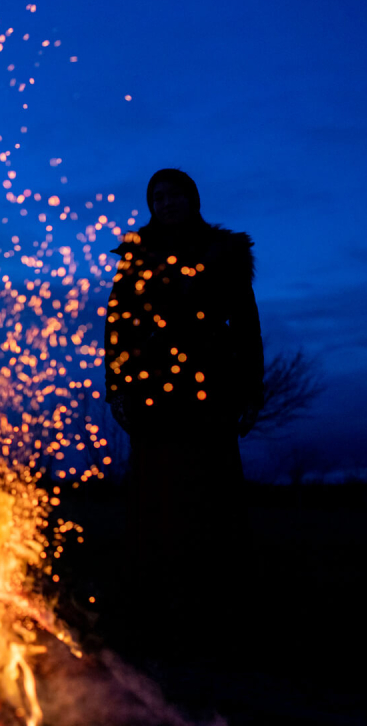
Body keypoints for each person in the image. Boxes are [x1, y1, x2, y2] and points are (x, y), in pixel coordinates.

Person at [104, 168, 264, 649]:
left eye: (174, 195)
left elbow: (246, 323)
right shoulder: (135, 255)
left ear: (193, 199)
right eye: (158, 197)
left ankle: (220, 613)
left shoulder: (225, 253)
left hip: (211, 389)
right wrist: (116, 386)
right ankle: (154, 614)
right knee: (156, 499)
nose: (166, 203)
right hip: (154, 393)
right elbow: (118, 323)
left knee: (212, 495)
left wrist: (251, 388)